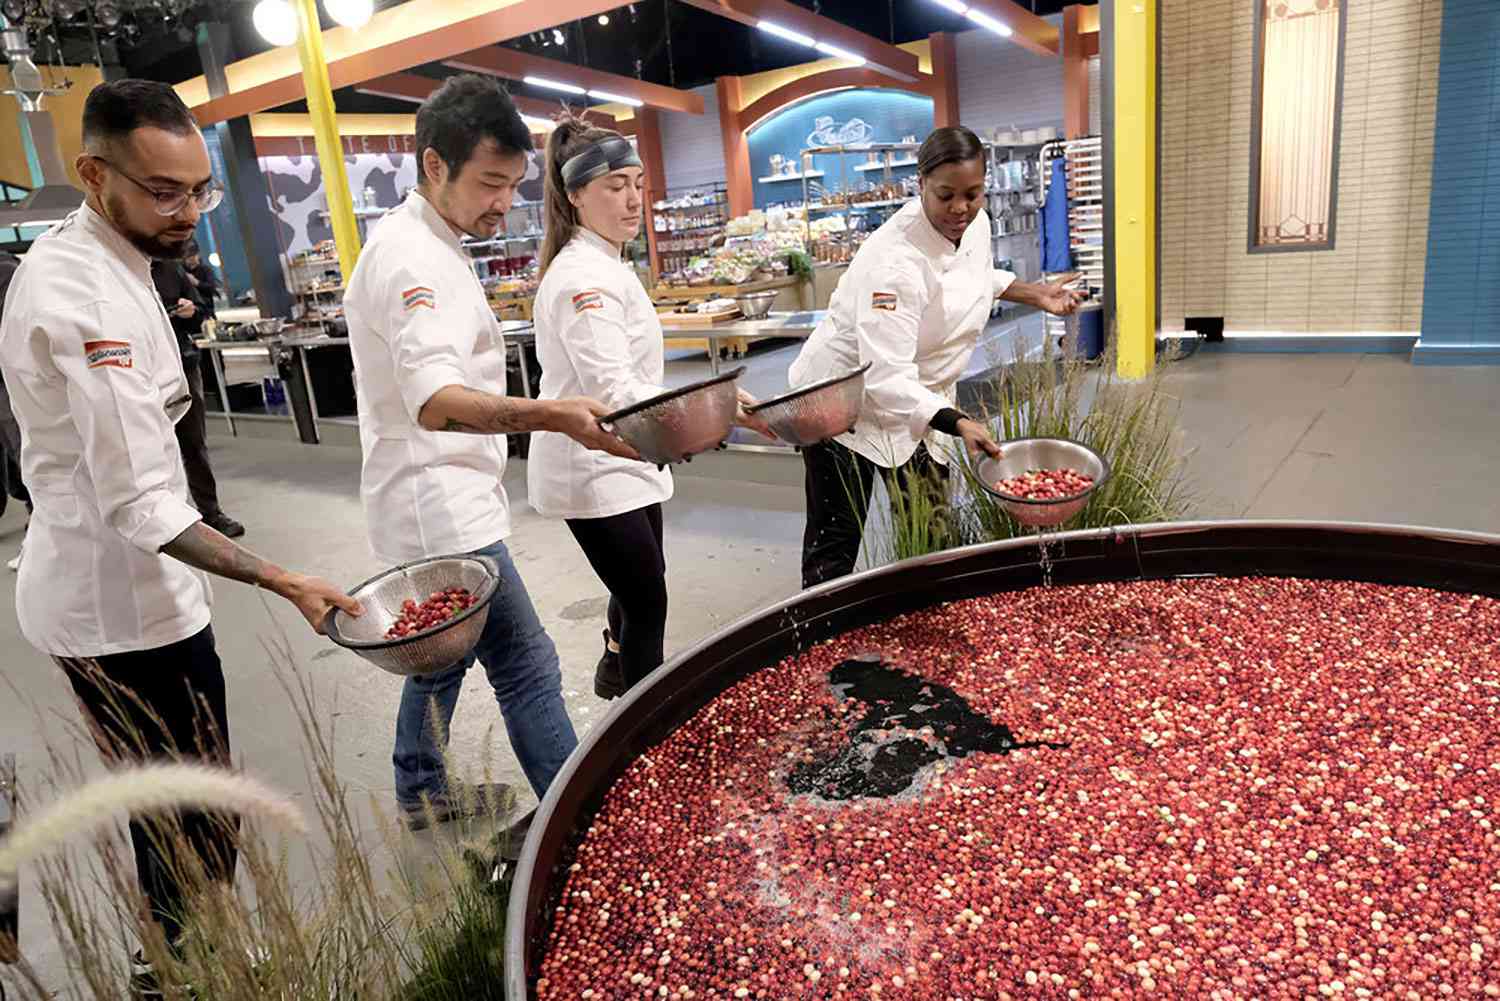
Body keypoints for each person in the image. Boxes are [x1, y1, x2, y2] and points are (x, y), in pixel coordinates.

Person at [0, 79, 362, 997]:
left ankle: (192, 951)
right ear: (93, 173)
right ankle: (174, 973)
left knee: (207, 805)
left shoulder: (124, 261)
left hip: (156, 594)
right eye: (166, 191)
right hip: (110, 608)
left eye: (199, 189)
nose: (191, 212)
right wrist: (285, 579)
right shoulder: (77, 291)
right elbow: (140, 507)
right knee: (180, 818)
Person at [344, 75, 638, 830]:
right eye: (489, 184)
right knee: (528, 665)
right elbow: (436, 400)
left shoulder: (425, 242)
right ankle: (582, 828)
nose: (503, 203)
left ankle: (420, 789)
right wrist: (555, 415)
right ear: (434, 166)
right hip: (440, 505)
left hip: (437, 497)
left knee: (442, 656)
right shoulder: (414, 260)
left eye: (512, 186)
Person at [527, 117, 769, 700]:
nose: (633, 199)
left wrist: (718, 402)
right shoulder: (583, 278)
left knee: (639, 583)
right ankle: (640, 732)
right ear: (575, 193)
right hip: (595, 464)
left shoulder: (608, 262)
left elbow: (632, 379)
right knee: (647, 601)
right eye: (615, 185)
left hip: (629, 458)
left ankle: (615, 669)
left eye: (638, 183)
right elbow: (614, 391)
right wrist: (713, 410)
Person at [790, 126, 1084, 588]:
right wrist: (959, 421)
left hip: (920, 402)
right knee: (836, 543)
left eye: (973, 193)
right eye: (945, 195)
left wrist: (1037, 294)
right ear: (920, 184)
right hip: (841, 401)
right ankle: (816, 642)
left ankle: (926, 634)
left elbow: (976, 277)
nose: (960, 209)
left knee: (932, 531)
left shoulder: (975, 223)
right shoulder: (893, 263)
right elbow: (884, 376)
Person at [151, 251, 244, 538]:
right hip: (139, 372)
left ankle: (211, 513)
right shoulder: (111, 271)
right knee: (150, 449)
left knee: (193, 443)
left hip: (182, 365)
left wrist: (191, 311)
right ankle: (161, 521)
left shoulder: (169, 267)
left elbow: (202, 310)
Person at [0, 249, 31, 571]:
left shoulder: (6, 272)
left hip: (12, 386)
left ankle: (41, 545)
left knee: (30, 463)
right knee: (16, 465)